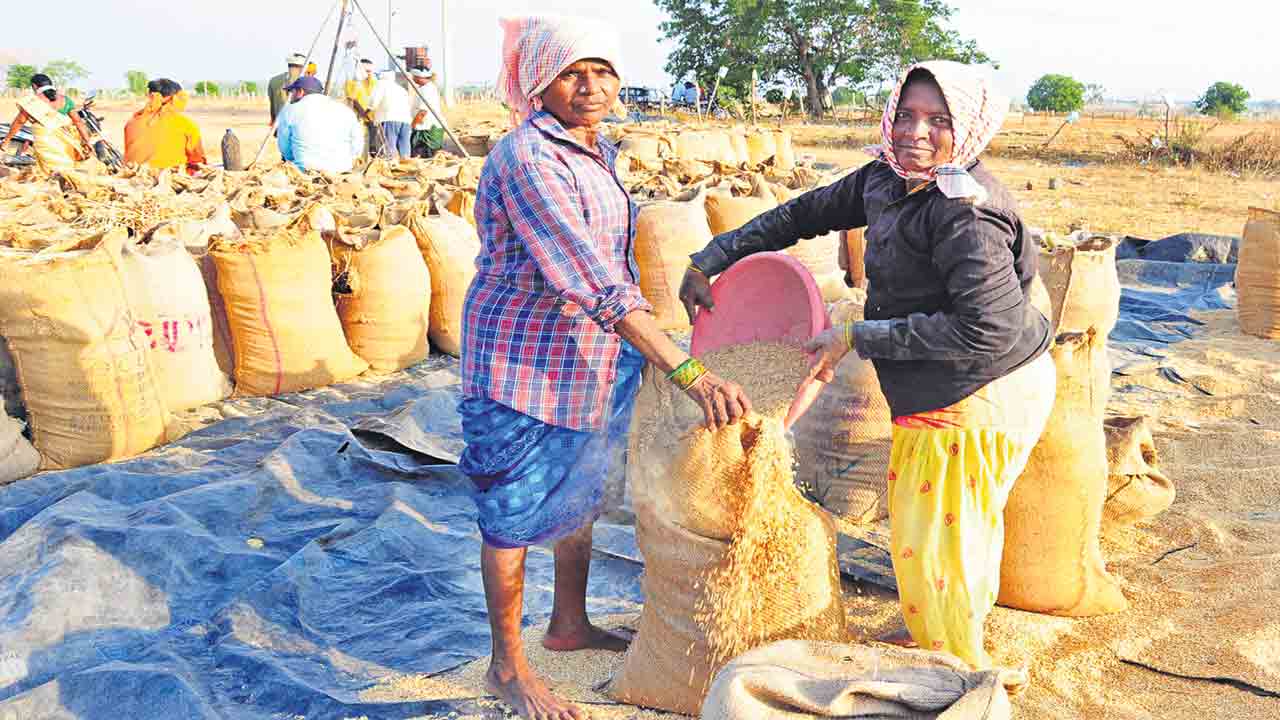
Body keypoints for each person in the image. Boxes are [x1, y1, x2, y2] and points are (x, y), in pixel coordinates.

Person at [678, 60, 1055, 670]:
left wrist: (857, 334)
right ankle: (941, 633)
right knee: (941, 530)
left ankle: (955, 673)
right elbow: (802, 214)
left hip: (980, 388)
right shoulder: (886, 178)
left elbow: (986, 327)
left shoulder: (965, 211)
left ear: (972, 128)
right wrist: (714, 255)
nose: (915, 132)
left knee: (943, 539)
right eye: (905, 115)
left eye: (939, 121)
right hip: (937, 383)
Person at [461, 15, 751, 720]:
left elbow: (612, 267)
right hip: (522, 367)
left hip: (589, 359)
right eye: (571, 74)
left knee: (581, 490)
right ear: (539, 83)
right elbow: (593, 279)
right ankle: (508, 665)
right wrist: (687, 371)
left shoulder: (594, 148)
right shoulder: (528, 159)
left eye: (603, 72)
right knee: (513, 509)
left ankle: (567, 626)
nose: (591, 87)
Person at [0, 74, 92, 173]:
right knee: (65, 168)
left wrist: (6, 141)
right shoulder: (65, 100)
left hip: (45, 141)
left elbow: (19, 122)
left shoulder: (32, 102)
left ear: (34, 86)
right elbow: (78, 122)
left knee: (48, 171)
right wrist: (87, 141)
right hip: (64, 141)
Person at [275, 75, 363, 173]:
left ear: (300, 92)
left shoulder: (290, 110)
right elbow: (357, 145)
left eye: (293, 92)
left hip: (306, 171)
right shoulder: (345, 110)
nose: (291, 96)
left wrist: (294, 159)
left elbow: (284, 147)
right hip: (342, 170)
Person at [123, 79, 207, 173]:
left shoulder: (131, 122)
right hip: (170, 180)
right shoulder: (186, 124)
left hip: (133, 177)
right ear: (175, 98)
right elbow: (198, 161)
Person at [368, 70, 412, 160]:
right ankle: (407, 167)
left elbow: (373, 103)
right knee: (405, 148)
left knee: (388, 148)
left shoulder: (381, 84)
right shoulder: (401, 88)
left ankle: (389, 168)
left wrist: (365, 112)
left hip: (389, 119)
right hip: (405, 120)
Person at [345, 58, 382, 157]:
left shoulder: (373, 81)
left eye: (370, 71)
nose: (369, 73)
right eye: (367, 71)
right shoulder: (352, 82)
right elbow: (353, 100)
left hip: (372, 117)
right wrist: (364, 115)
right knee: (360, 140)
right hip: (360, 117)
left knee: (373, 142)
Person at [408, 67, 445, 158]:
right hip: (424, 127)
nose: (413, 78)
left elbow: (423, 112)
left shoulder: (427, 90)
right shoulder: (425, 87)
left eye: (414, 76)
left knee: (426, 157)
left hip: (427, 129)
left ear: (419, 77)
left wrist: (412, 125)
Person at [268, 53, 306, 124]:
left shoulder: (273, 80)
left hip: (279, 124)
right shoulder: (304, 82)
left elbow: (272, 104)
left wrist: (273, 120)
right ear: (301, 67)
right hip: (297, 125)